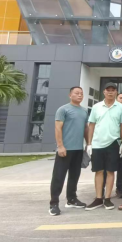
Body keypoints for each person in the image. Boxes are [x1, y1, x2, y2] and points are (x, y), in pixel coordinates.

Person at [85, 83, 122, 211]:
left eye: (113, 90)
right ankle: (98, 198)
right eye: (108, 90)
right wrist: (89, 143)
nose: (110, 92)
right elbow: (91, 125)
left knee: (110, 171)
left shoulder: (121, 108)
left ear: (116, 93)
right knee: (98, 171)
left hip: (113, 143)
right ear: (104, 92)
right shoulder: (96, 107)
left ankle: (107, 198)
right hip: (97, 143)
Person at [49, 87, 89, 216]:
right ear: (70, 95)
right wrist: (60, 146)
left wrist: (88, 144)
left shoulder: (84, 111)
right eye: (76, 93)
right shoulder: (63, 109)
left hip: (78, 149)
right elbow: (58, 128)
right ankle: (54, 203)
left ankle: (71, 199)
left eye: (81, 93)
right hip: (65, 149)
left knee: (74, 176)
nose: (79, 95)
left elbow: (86, 128)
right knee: (59, 177)